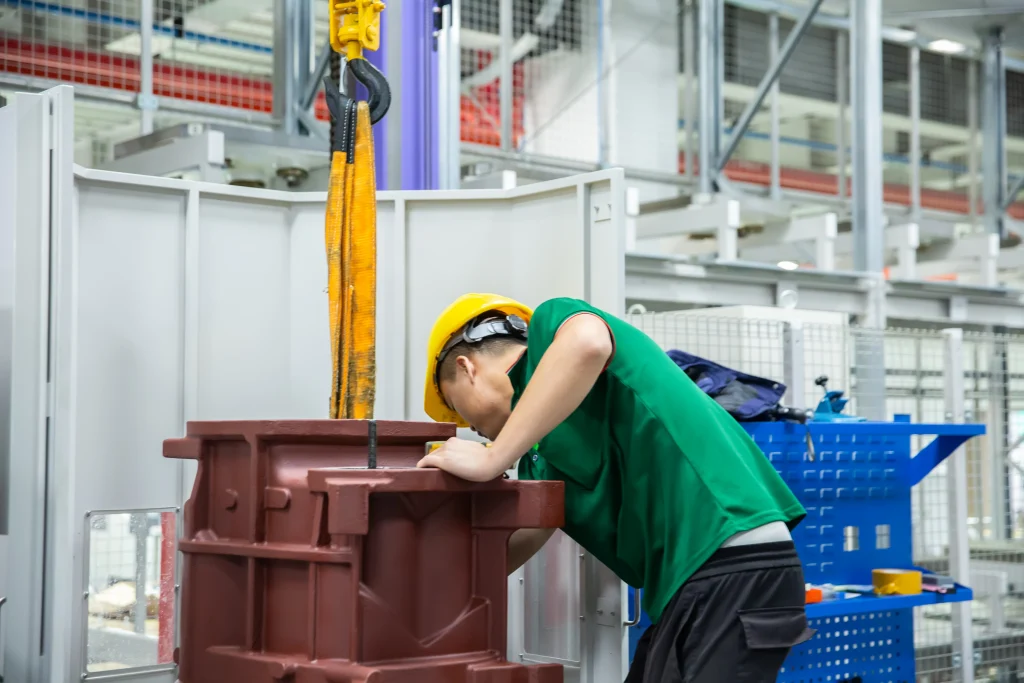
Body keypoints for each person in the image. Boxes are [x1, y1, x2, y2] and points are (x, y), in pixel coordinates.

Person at [417, 294, 814, 683]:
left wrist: (491, 458)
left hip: (734, 559)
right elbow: (530, 533)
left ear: (467, 369)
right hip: (696, 583)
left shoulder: (556, 324)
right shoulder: (544, 452)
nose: (470, 427)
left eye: (458, 407)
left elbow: (588, 343)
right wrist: (427, 587)